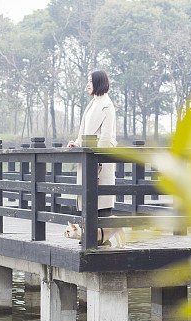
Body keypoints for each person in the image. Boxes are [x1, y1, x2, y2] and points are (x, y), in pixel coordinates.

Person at [65, 70, 125, 247]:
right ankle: (91, 237)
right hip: (88, 157)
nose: (87, 84)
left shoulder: (107, 105)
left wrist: (98, 154)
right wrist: (76, 143)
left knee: (102, 203)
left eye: (90, 81)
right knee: (88, 200)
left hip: (99, 160)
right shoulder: (92, 104)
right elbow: (84, 132)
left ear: (98, 83)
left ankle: (101, 238)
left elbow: (106, 137)